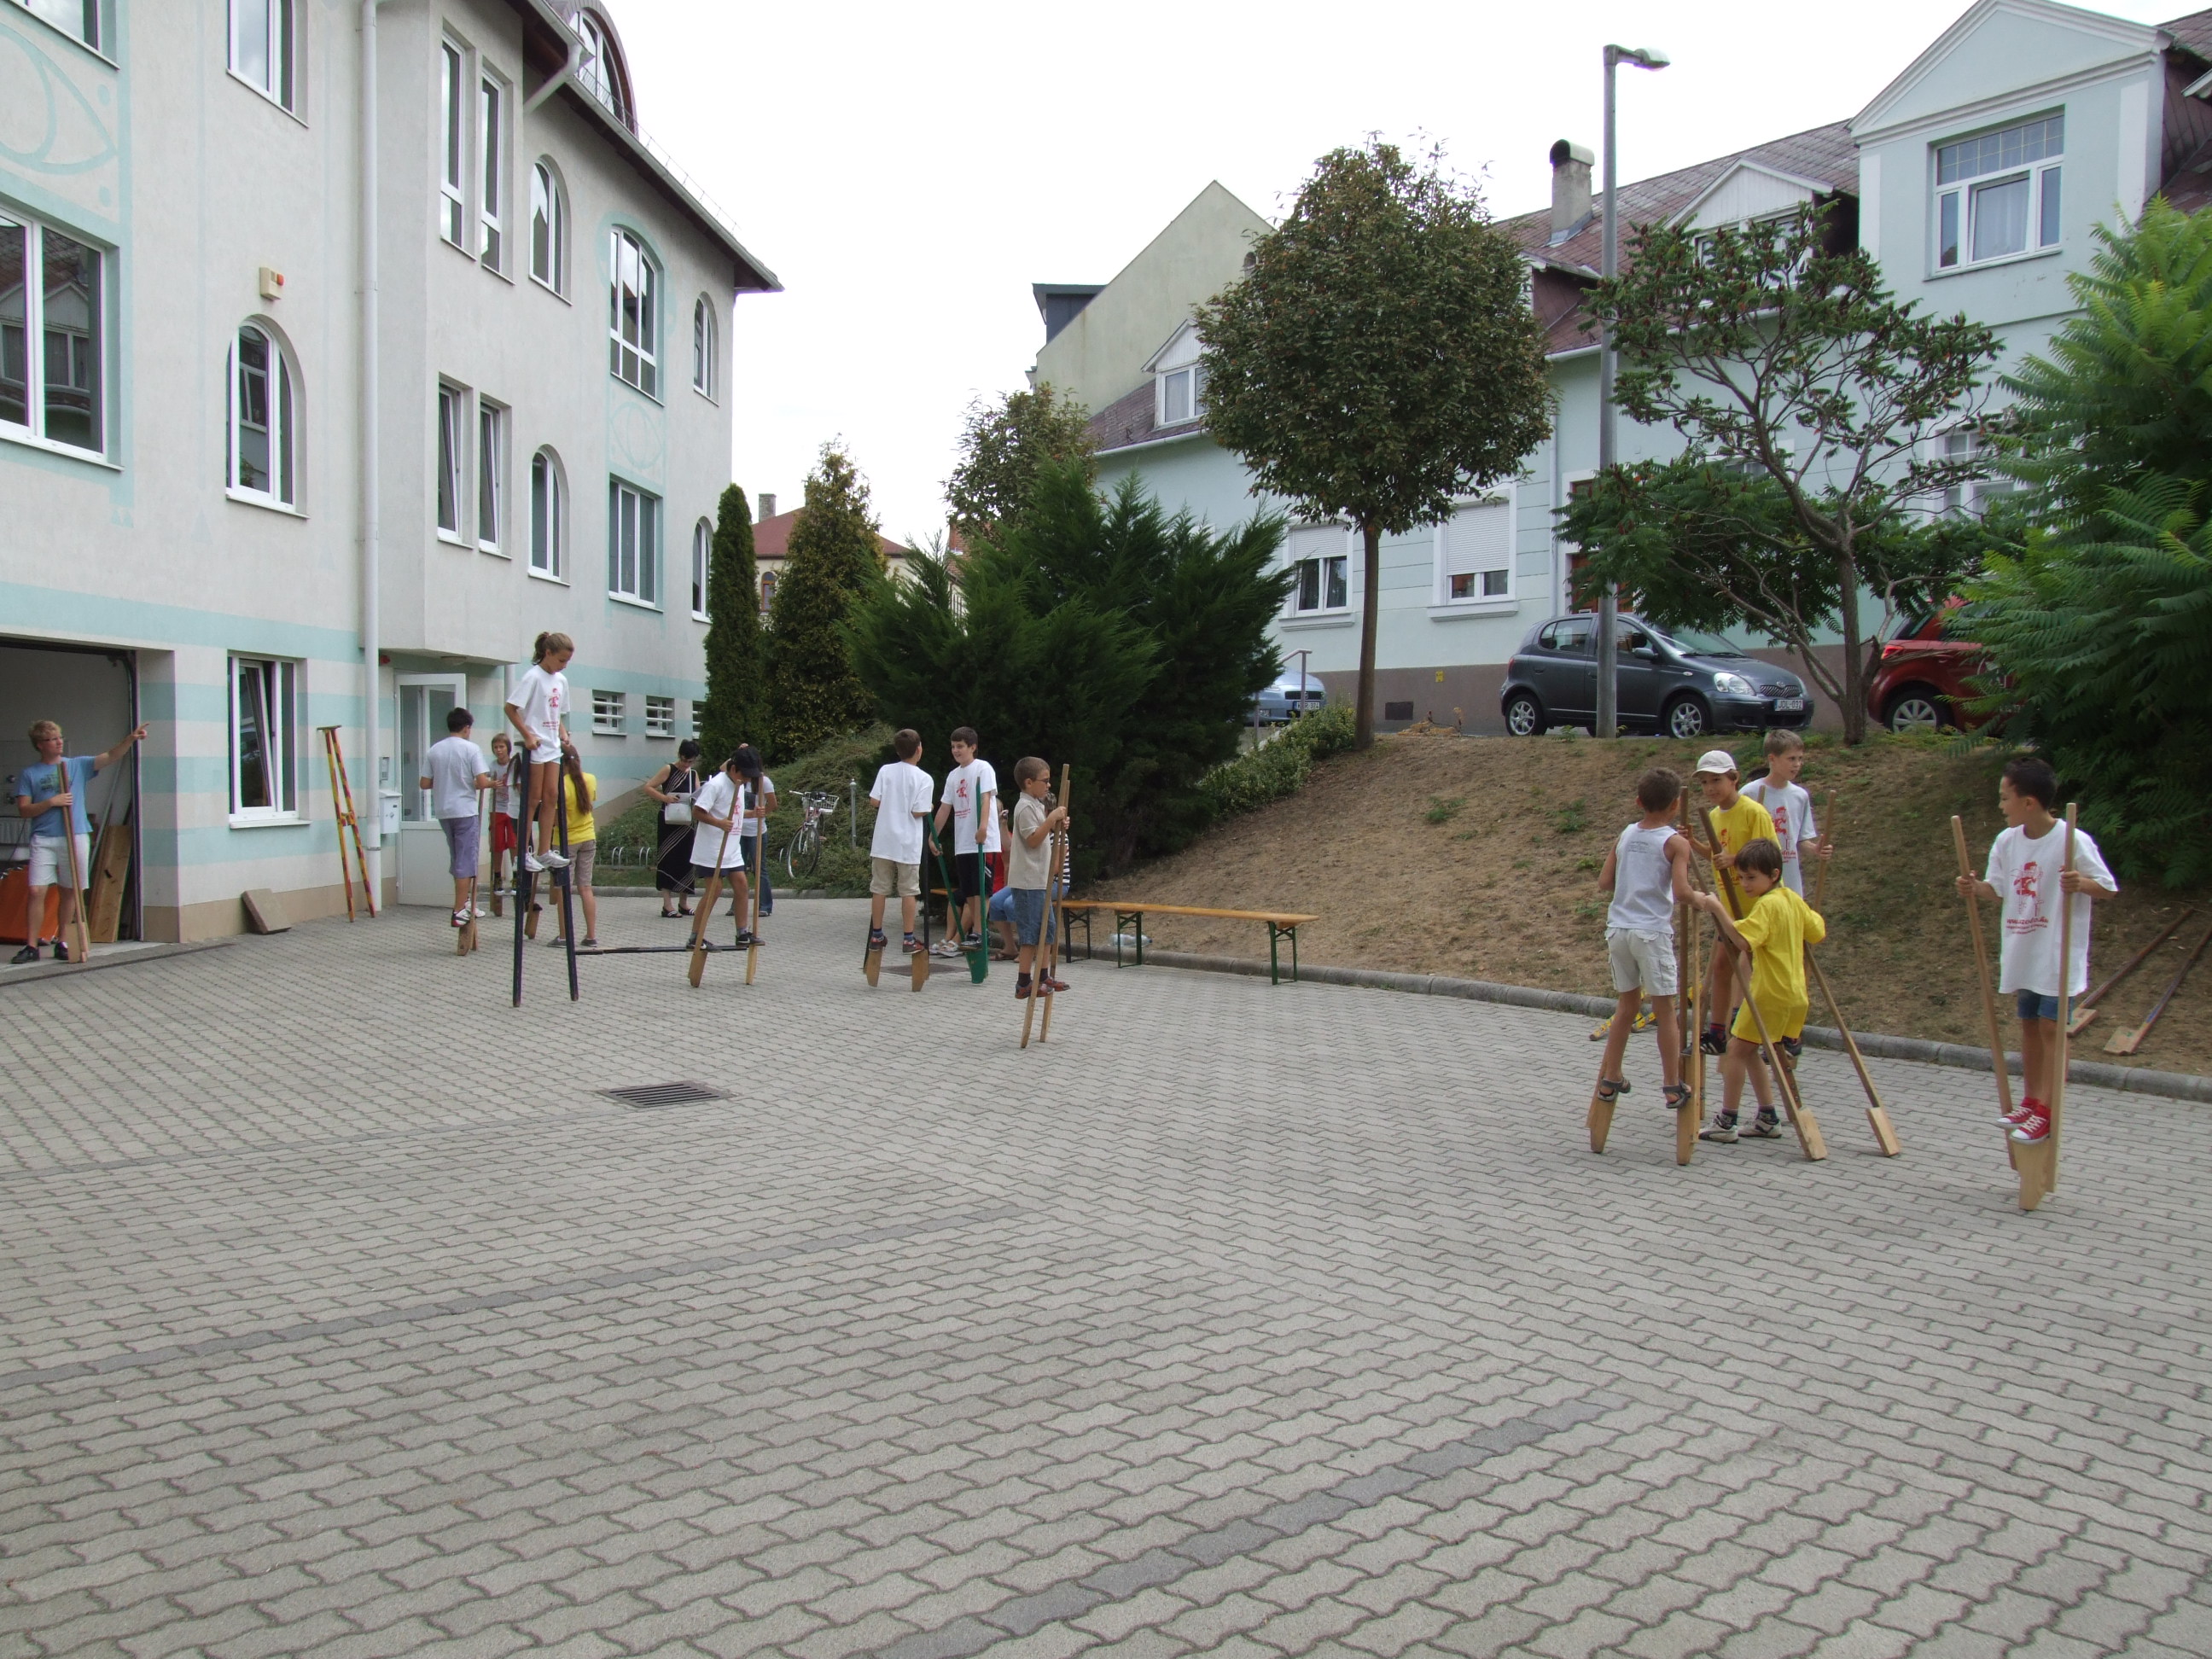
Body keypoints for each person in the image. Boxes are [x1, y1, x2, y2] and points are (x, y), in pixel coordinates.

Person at [1955, 757, 2116, 1145]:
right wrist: (1974, 889)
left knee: (2051, 1028)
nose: (2000, 805)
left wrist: (2081, 883)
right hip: (2023, 949)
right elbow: (1997, 889)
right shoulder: (2006, 841)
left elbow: (2108, 887)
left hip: (2057, 953)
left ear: (2028, 802)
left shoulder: (2072, 839)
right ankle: (2030, 1101)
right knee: (2028, 1023)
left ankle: (2048, 1108)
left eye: (2004, 797)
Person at [1691, 838, 1825, 1144]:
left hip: (1769, 993)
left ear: (1774, 874)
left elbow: (1742, 941)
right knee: (1748, 1048)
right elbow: (1817, 931)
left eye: (1752, 877)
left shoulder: (1767, 905)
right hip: (1794, 994)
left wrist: (1717, 908)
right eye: (1741, 878)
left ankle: (1727, 1121)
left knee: (1736, 1051)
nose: (1745, 884)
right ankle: (1767, 1117)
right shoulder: (1792, 899)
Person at [1594, 768, 1695, 1113]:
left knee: (1627, 1007)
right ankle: (1671, 1084)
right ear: (1675, 805)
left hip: (1618, 928)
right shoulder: (1676, 843)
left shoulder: (1626, 834)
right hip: (1651, 931)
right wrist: (1705, 901)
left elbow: (1604, 882)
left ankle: (1611, 1076)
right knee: (1666, 1010)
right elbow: (1682, 891)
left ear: (1639, 802)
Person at [11, 719, 148, 963]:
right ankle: (31, 946)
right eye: (52, 739)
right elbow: (24, 810)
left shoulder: (76, 765)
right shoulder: (30, 774)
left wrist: (130, 739)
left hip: (74, 835)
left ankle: (63, 941)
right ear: (40, 744)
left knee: (70, 889)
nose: (58, 742)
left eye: (59, 737)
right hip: (43, 838)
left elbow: (110, 756)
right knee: (36, 890)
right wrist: (51, 802)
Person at [1691, 748, 1779, 1059]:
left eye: (1716, 780)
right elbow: (1717, 856)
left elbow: (1769, 856)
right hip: (1730, 909)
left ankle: (1770, 1033)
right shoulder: (1715, 816)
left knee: (1758, 973)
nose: (1710, 788)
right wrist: (1694, 844)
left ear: (1734, 778)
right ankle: (1718, 1031)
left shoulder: (1754, 812)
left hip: (1756, 908)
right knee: (1721, 966)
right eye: (1704, 782)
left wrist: (1736, 859)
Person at [503, 632, 573, 872]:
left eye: (567, 661)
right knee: (532, 798)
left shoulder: (561, 680)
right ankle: (522, 853)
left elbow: (556, 713)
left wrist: (562, 732)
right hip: (536, 745)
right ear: (548, 653)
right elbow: (510, 708)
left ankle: (544, 851)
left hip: (552, 745)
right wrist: (527, 735)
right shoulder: (533, 677)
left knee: (551, 796)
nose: (563, 666)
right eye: (561, 660)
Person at [419, 707, 493, 929]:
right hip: (465, 811)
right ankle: (459, 909)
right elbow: (482, 782)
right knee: (466, 861)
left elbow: (424, 783)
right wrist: (492, 783)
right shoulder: (471, 749)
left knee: (457, 858)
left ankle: (466, 902)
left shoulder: (435, 750)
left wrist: (445, 781)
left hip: (444, 811)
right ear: (467, 728)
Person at [1006, 757, 1072, 1000]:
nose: (1048, 785)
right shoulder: (1024, 807)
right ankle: (1023, 982)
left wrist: (1058, 824)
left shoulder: (1035, 805)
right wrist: (1051, 818)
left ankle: (1043, 976)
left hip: (1040, 880)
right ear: (1029, 782)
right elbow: (1033, 839)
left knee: (1048, 929)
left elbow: (1045, 831)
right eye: (1045, 781)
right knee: (1031, 933)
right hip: (1027, 881)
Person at [932, 726, 998, 956]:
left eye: (960, 746)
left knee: (982, 889)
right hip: (963, 843)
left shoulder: (983, 768)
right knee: (969, 890)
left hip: (983, 842)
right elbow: (945, 807)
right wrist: (933, 836)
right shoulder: (953, 775)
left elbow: (986, 798)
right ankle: (974, 933)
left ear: (972, 747)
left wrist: (983, 827)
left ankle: (980, 932)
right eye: (953, 747)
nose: (956, 750)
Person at [866, 729, 932, 956]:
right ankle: (908, 938)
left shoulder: (886, 770)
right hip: (908, 843)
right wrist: (929, 808)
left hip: (884, 841)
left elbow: (874, 801)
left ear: (897, 750)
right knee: (908, 891)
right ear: (919, 749)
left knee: (879, 888)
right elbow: (918, 811)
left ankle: (876, 934)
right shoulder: (924, 778)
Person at [1742, 730, 1829, 897]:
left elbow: (1799, 840)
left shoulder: (1800, 796)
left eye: (1800, 758)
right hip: (1760, 883)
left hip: (1790, 882)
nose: (1797, 764)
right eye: (1791, 759)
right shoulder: (1749, 793)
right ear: (1772, 759)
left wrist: (1816, 849)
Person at [688, 754, 752, 941]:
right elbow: (697, 811)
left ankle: (742, 932)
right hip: (712, 847)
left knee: (742, 885)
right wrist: (719, 823)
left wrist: (753, 813)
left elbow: (735, 812)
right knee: (714, 890)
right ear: (733, 770)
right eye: (745, 775)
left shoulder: (738, 784)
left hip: (732, 847)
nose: (747, 780)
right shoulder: (715, 785)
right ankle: (695, 937)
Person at [546, 744, 599, 949]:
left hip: (566, 841)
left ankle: (564, 935)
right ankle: (591, 936)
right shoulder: (591, 779)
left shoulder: (559, 785)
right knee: (585, 887)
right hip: (588, 836)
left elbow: (557, 819)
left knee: (563, 889)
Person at [645, 738, 702, 917]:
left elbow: (698, 793)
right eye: (684, 760)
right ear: (679, 756)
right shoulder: (669, 769)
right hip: (669, 821)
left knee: (686, 860)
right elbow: (648, 787)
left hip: (686, 823)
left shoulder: (693, 774)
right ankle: (667, 904)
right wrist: (665, 798)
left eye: (690, 761)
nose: (686, 765)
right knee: (668, 859)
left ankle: (684, 902)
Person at [728, 744, 774, 941]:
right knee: (738, 869)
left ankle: (765, 905)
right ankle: (736, 905)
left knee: (758, 868)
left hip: (756, 831)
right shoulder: (736, 778)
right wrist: (738, 753)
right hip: (739, 830)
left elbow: (773, 803)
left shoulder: (763, 781)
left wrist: (762, 814)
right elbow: (724, 768)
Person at [486, 732, 517, 917]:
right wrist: (491, 784)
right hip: (496, 808)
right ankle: (497, 877)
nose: (498, 750)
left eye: (501, 747)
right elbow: (483, 780)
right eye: (496, 747)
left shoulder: (513, 764)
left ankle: (516, 876)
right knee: (497, 844)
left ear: (507, 748)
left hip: (511, 808)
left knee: (513, 843)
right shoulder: (492, 766)